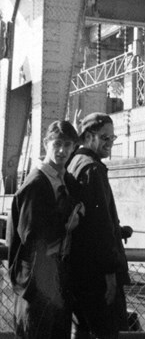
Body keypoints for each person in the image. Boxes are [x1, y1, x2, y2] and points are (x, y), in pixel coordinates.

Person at [8, 120, 84, 339]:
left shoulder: (63, 180)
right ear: (45, 144)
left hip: (57, 279)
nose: (62, 150)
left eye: (68, 145)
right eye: (57, 143)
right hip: (37, 281)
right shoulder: (36, 184)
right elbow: (31, 235)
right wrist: (68, 223)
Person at [67, 112, 132, 339]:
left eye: (112, 139)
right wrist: (110, 272)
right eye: (105, 138)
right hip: (96, 276)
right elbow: (100, 228)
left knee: (83, 330)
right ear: (88, 136)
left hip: (79, 272)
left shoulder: (73, 163)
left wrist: (118, 230)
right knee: (108, 331)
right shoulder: (92, 168)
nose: (110, 144)